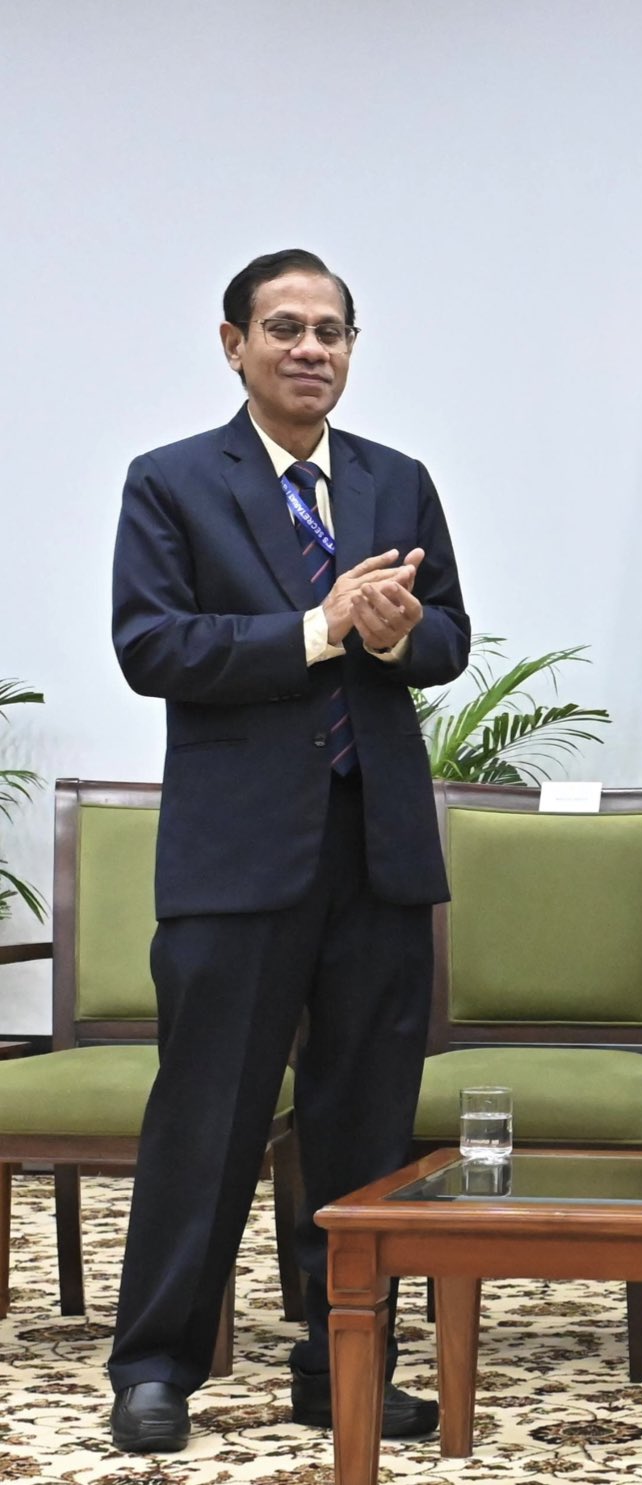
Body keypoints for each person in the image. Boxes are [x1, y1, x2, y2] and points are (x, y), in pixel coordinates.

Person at [106, 249, 469, 1453]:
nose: (310, 349)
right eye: (285, 329)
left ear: (352, 349)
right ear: (233, 344)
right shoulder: (171, 484)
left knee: (364, 1129)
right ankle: (158, 1364)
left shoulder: (395, 481)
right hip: (237, 860)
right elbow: (154, 648)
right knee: (206, 1118)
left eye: (331, 332)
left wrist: (405, 630)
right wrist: (318, 628)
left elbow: (449, 641)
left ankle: (343, 1359)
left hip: (377, 856)